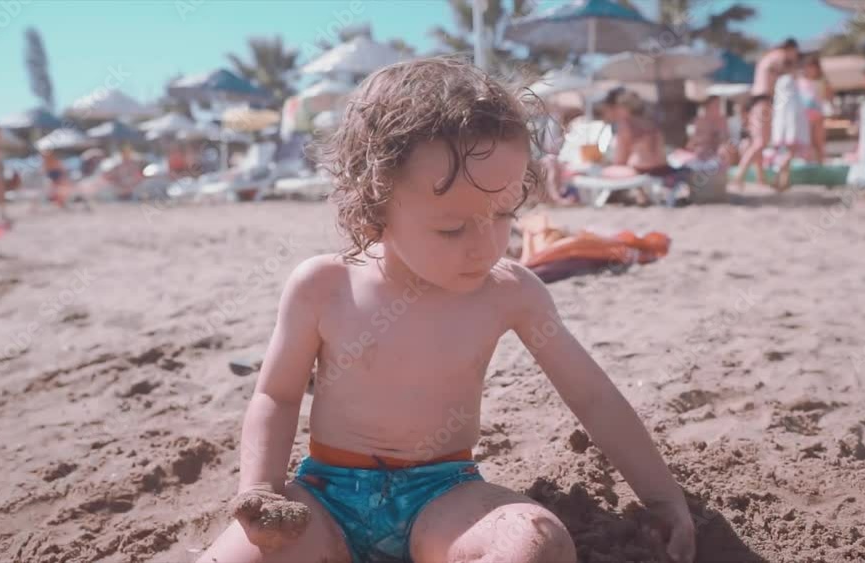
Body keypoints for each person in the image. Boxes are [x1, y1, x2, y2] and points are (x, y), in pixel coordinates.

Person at [198, 57, 695, 563]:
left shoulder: (510, 292)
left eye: (503, 215)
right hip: (324, 499)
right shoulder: (323, 286)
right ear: (375, 206)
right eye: (452, 229)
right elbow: (278, 396)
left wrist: (661, 497)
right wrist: (261, 490)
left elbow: (592, 397)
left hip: (443, 497)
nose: (484, 246)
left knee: (537, 541)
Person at [733, 38, 800, 189]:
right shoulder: (780, 55)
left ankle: (760, 178)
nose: (795, 56)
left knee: (758, 141)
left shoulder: (768, 57)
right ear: (791, 49)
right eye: (795, 53)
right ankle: (739, 176)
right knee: (760, 142)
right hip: (763, 101)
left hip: (756, 100)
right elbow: (787, 73)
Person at [770, 61, 811, 191]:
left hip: (781, 127)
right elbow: (791, 108)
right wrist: (793, 131)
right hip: (790, 127)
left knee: (784, 154)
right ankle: (778, 178)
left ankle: (783, 181)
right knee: (789, 154)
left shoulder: (780, 82)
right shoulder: (789, 81)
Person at [797, 56, 832, 164]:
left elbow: (829, 96)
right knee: (806, 142)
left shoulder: (822, 81)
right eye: (807, 67)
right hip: (804, 115)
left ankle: (821, 161)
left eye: (812, 67)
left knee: (818, 141)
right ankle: (808, 162)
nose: (810, 70)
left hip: (817, 114)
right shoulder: (800, 81)